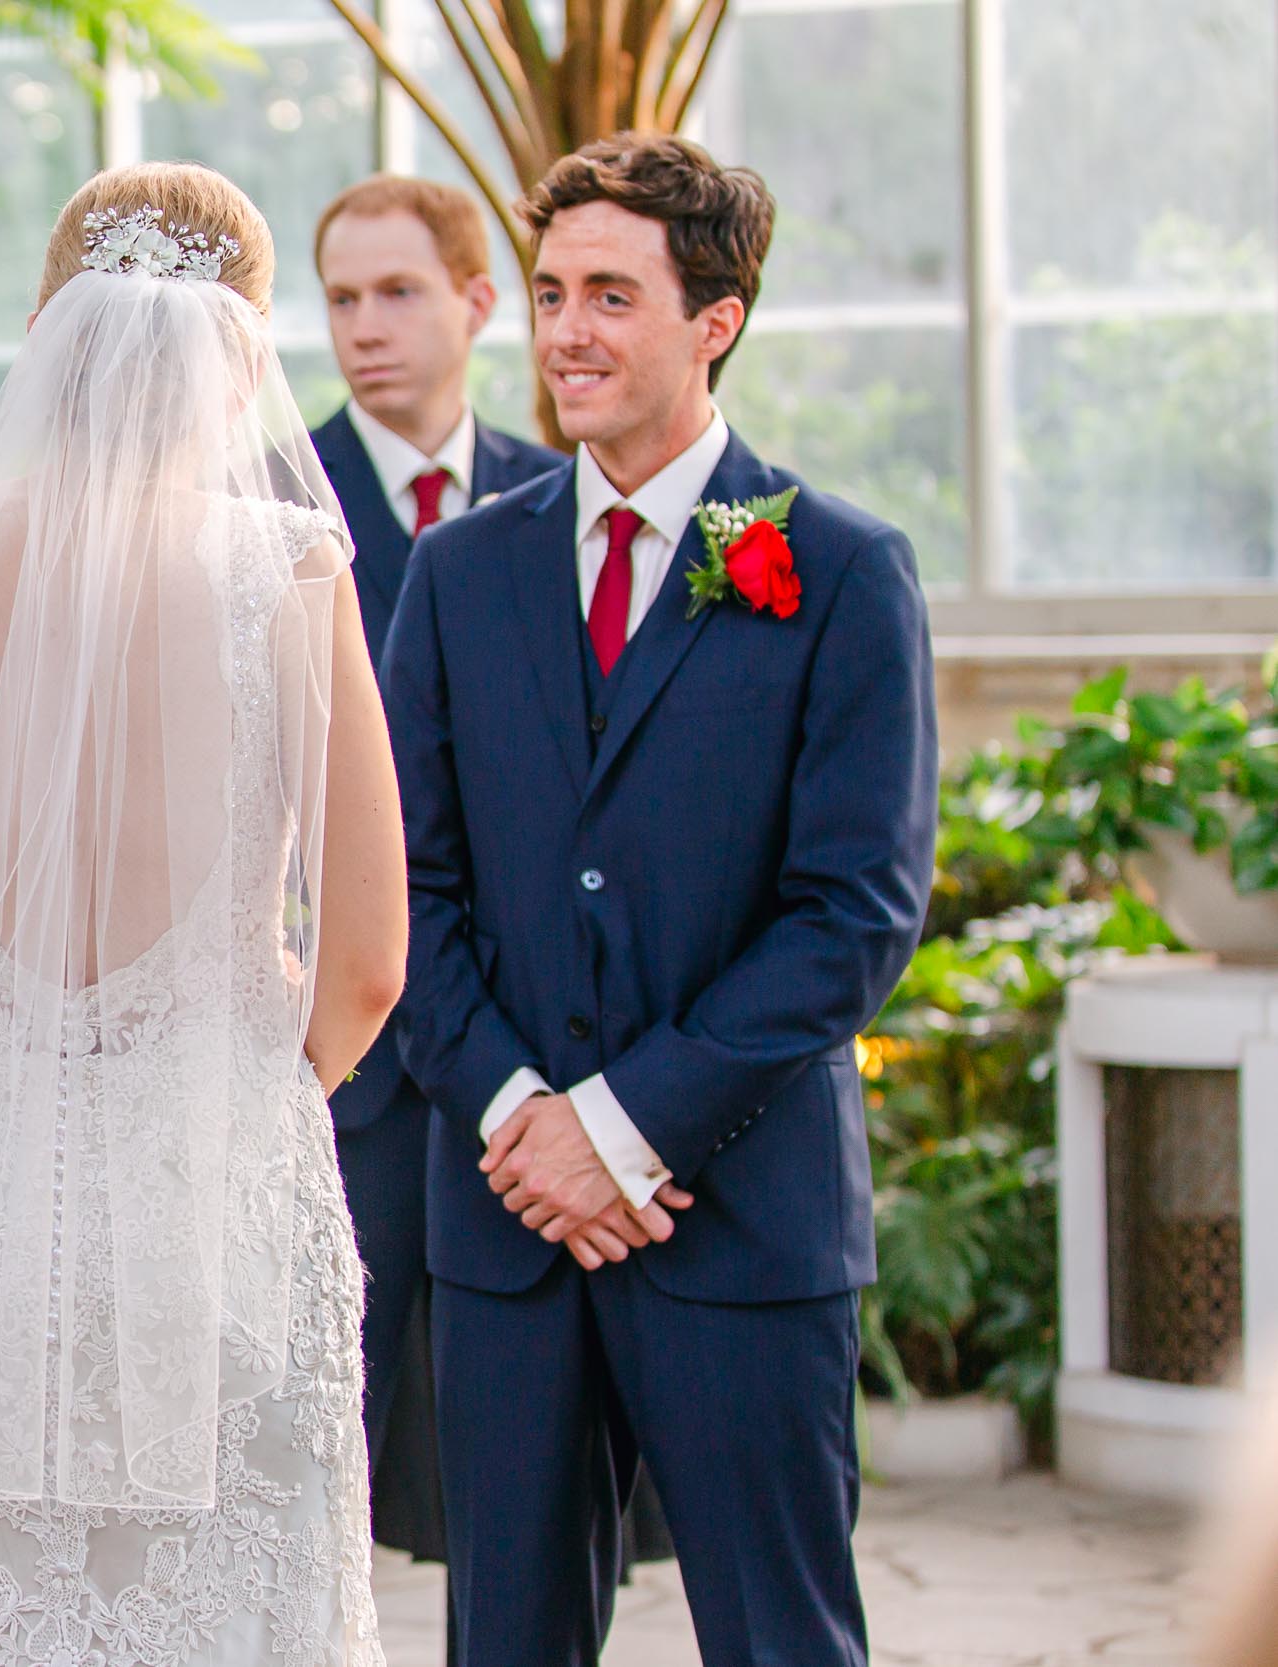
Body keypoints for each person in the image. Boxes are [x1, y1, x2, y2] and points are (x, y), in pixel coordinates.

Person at [0, 161, 407, 1667]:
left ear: (42, 332)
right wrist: (217, 1079)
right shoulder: (289, 567)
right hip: (222, 1214)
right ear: (243, 354)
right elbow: (371, 967)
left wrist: (13, 1062)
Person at [381, 134, 937, 1666]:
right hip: (505, 1231)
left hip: (743, 1225)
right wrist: (518, 1121)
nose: (567, 332)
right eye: (553, 293)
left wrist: (615, 1131)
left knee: (782, 1642)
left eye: (612, 295)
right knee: (504, 1643)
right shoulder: (459, 573)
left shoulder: (836, 570)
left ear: (718, 319)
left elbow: (855, 914)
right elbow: (406, 887)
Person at [309, 173, 562, 1565]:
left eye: (397, 292)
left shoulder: (563, 496)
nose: (364, 327)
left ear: (477, 302)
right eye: (341, 297)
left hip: (520, 1047)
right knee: (326, 1459)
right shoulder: (270, 502)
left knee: (513, 1487)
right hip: (348, 1053)